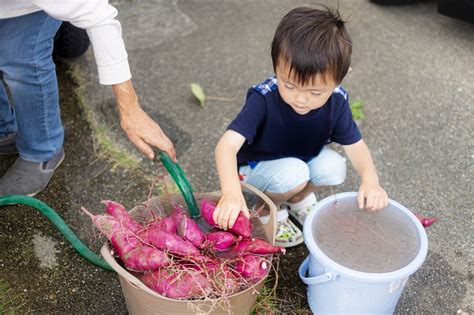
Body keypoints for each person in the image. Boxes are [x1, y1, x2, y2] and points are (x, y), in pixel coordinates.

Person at [213, 6, 389, 247]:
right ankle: (267, 208)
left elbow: (356, 146)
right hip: (256, 167)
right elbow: (226, 146)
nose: (301, 99)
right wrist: (231, 191)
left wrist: (371, 180)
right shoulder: (264, 98)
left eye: (315, 92)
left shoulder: (337, 100)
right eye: (290, 85)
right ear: (276, 67)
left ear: (340, 77)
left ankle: (298, 199)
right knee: (293, 174)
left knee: (334, 166)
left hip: (298, 163)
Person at [0, 0, 176, 196]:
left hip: (31, 8)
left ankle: (43, 151)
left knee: (20, 58)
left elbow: (98, 17)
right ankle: (4, 128)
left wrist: (130, 108)